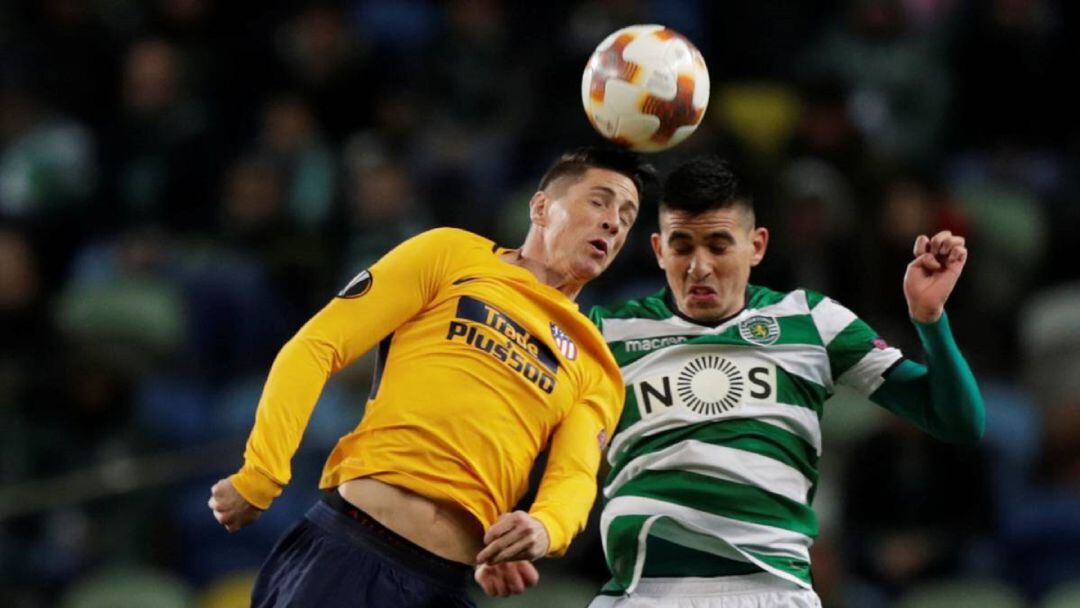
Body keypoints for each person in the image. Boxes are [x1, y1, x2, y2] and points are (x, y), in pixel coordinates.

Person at [478, 156, 984, 606]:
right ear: (657, 249)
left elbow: (957, 421)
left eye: (719, 245)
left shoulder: (811, 320)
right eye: (682, 246)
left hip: (772, 592)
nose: (700, 267)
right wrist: (499, 528)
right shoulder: (606, 334)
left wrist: (930, 318)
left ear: (756, 245)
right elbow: (518, 435)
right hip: (643, 591)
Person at [207, 147, 657, 607]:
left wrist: (544, 527)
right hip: (351, 552)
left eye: (627, 214)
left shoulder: (596, 363)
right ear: (541, 207)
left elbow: (575, 477)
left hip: (444, 588)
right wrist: (262, 472)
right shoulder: (450, 255)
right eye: (599, 202)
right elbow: (316, 346)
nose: (614, 222)